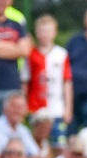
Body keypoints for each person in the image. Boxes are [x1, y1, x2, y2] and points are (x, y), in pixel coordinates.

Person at [24, 14, 73, 145]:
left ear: (54, 33)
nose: (45, 35)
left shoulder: (61, 54)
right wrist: (24, 103)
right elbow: (25, 81)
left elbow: (67, 82)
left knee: (58, 143)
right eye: (41, 31)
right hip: (35, 108)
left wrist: (68, 108)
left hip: (56, 109)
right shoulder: (30, 54)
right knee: (36, 143)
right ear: (37, 33)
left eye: (48, 31)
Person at [0, 93, 39, 158]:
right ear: (5, 108)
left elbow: (36, 154)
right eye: (14, 106)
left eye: (21, 107)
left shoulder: (24, 130)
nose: (17, 110)